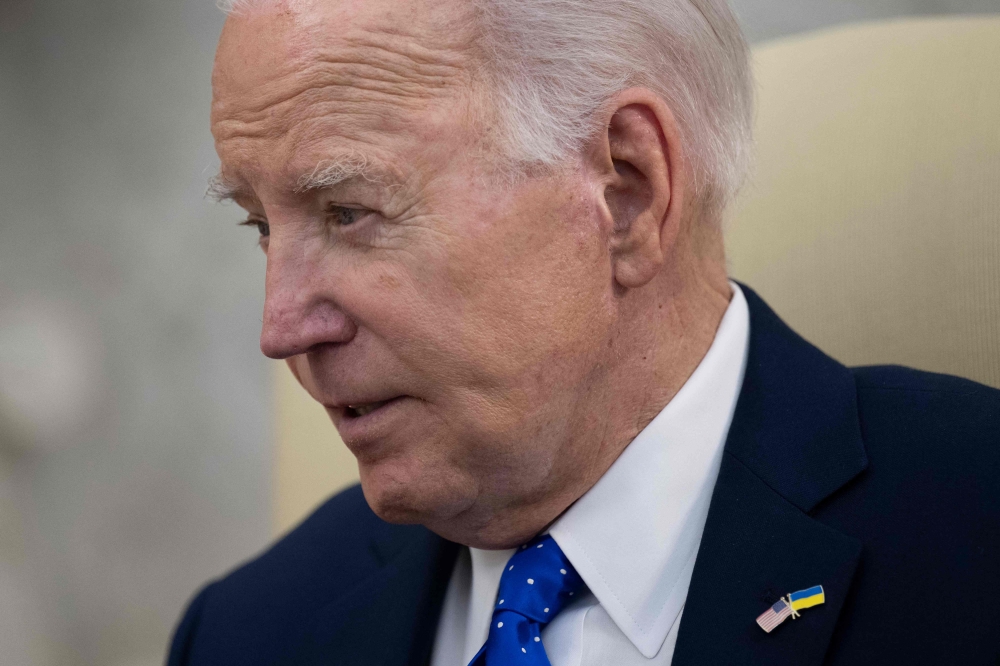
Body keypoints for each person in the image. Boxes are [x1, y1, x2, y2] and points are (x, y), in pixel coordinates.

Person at [168, 0, 1000, 664]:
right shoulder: (246, 634)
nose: (280, 327)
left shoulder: (976, 528)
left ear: (627, 192)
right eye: (260, 227)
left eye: (348, 211)